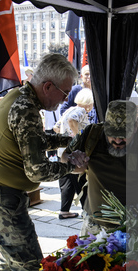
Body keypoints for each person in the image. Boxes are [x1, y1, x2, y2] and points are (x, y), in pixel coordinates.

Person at [0, 53, 87, 271]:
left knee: (10, 260)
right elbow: (36, 171)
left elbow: (33, 140)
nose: (64, 100)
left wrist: (68, 141)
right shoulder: (25, 108)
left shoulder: (20, 97)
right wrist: (71, 167)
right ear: (48, 86)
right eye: (64, 92)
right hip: (1, 198)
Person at [62, 100, 138, 235]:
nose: (117, 141)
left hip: (131, 225)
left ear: (135, 127)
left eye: (123, 135)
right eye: (112, 134)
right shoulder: (91, 134)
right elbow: (65, 158)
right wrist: (74, 161)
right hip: (94, 225)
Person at [53, 88, 93, 219]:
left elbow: (56, 127)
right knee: (80, 182)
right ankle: (87, 211)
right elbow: (71, 120)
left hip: (64, 151)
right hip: (75, 153)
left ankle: (64, 210)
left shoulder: (69, 109)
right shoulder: (80, 111)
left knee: (68, 182)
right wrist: (77, 138)